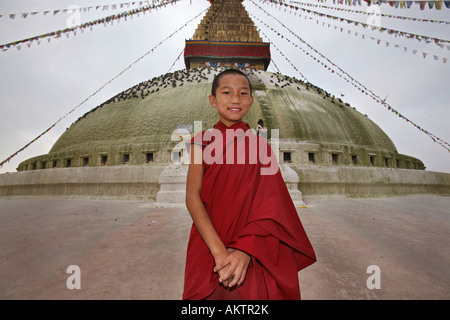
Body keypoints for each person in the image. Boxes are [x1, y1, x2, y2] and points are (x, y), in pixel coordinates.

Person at [182, 69, 316, 300]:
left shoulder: (260, 146)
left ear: (251, 101)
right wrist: (219, 253)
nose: (235, 99)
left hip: (253, 246)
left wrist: (245, 249)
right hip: (208, 243)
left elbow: (272, 205)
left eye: (243, 93)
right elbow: (192, 197)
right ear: (213, 100)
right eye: (227, 92)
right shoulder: (200, 142)